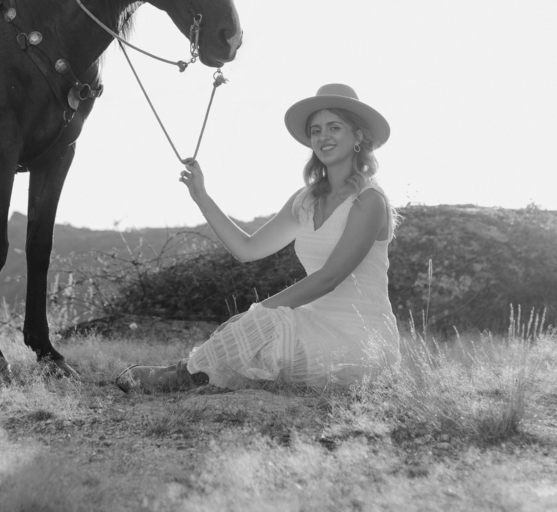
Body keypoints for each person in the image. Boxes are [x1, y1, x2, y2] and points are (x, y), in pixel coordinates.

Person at [116, 83, 400, 392]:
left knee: (266, 324)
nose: (323, 137)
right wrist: (201, 196)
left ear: (358, 136)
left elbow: (328, 279)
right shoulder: (305, 200)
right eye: (316, 130)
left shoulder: (369, 201)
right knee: (265, 331)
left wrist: (255, 313)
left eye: (335, 127)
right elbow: (247, 248)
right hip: (312, 324)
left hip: (360, 339)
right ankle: (191, 376)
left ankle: (181, 376)